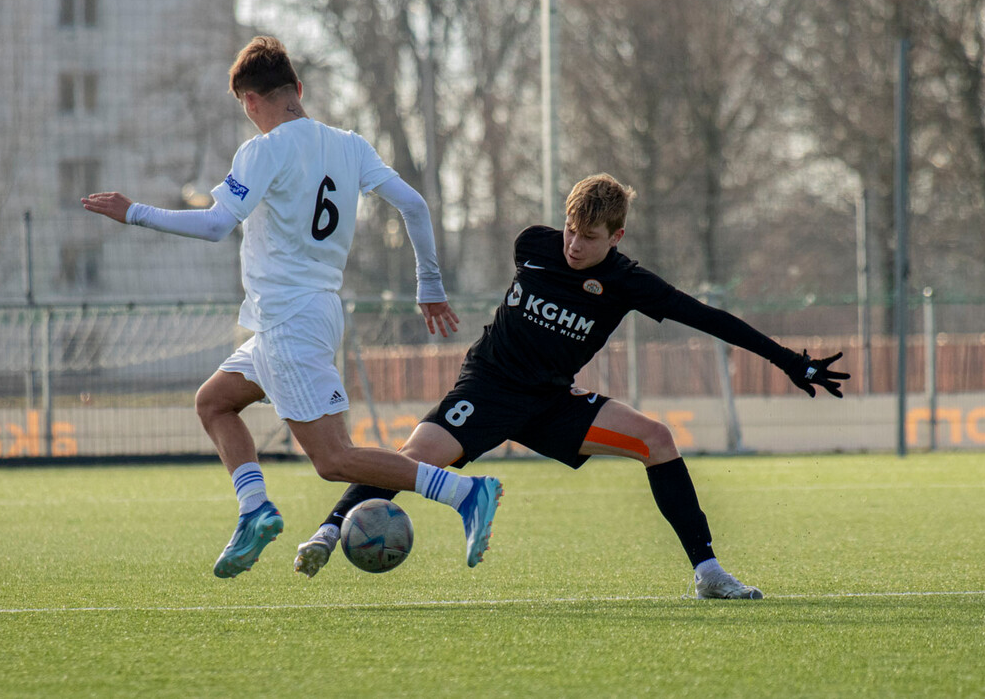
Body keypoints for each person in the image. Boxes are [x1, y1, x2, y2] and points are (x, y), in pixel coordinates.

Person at [293, 173, 849, 599]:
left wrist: (787, 361)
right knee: (415, 458)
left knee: (657, 439)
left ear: (617, 235)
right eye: (570, 230)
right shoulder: (532, 245)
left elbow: (708, 318)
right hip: (487, 387)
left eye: (588, 237)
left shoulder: (629, 283)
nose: (573, 245)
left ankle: (707, 572)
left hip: (551, 401)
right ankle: (329, 529)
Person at [82, 36, 502, 578]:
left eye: (244, 108)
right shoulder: (349, 144)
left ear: (251, 101)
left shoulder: (264, 148)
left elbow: (214, 225)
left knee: (334, 459)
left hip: (287, 321)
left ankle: (465, 492)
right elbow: (415, 205)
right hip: (313, 313)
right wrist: (430, 285)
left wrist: (133, 211)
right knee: (214, 402)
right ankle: (255, 510)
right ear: (298, 90)